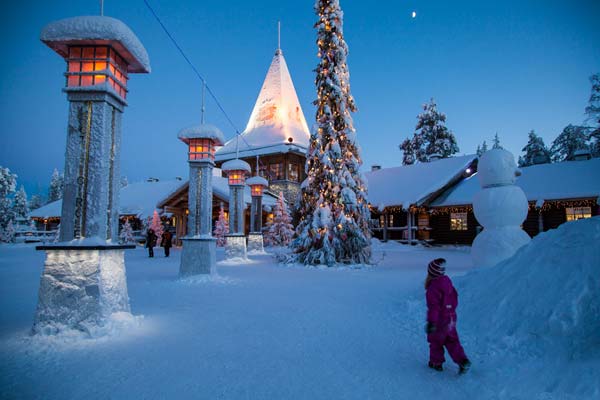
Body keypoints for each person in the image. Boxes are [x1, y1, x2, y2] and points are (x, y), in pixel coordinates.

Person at [425, 258, 471, 374]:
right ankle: (462, 361)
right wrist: (450, 311)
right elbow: (455, 299)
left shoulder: (432, 289)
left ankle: (436, 362)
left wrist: (432, 322)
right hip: (450, 318)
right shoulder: (448, 283)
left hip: (439, 321)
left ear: (431, 273)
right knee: (452, 341)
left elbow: (434, 308)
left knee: (436, 341)